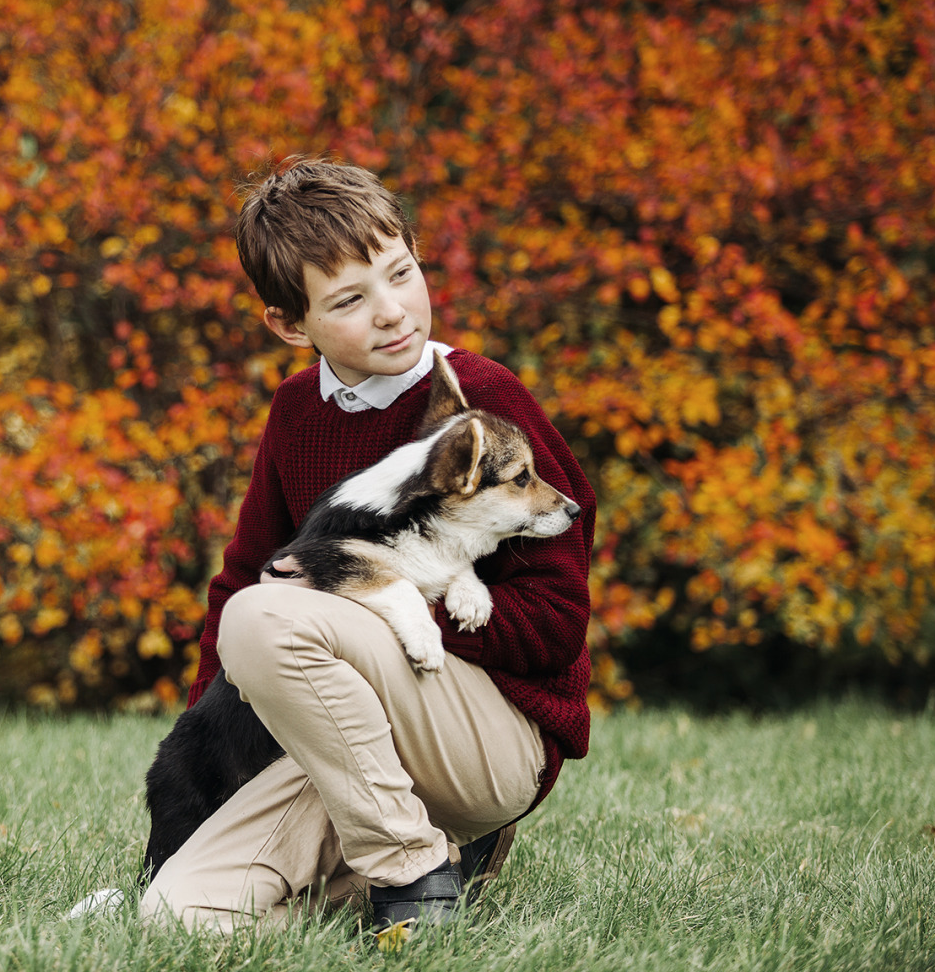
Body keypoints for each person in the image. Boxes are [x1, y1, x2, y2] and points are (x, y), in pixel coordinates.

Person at [139, 159, 595, 935]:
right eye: (351, 299)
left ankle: (412, 865)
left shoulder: (483, 401)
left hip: (484, 733)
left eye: (402, 273)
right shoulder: (294, 414)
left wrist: (388, 599)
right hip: (346, 745)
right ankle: (431, 870)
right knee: (176, 918)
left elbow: (558, 620)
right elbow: (240, 578)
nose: (392, 312)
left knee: (267, 614)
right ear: (291, 324)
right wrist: (210, 749)